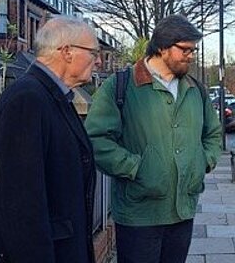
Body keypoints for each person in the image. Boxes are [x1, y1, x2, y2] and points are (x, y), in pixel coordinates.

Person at [85, 14, 222, 263]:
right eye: (185, 50)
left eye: (194, 50)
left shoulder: (195, 89)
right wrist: (135, 167)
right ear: (161, 47)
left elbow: (213, 133)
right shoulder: (120, 86)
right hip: (139, 214)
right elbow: (96, 140)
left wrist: (202, 162)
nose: (191, 56)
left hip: (183, 210)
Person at [0, 16, 101, 263]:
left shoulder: (53, 96)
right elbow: (21, 207)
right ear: (67, 52)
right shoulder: (27, 100)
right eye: (93, 52)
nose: (98, 60)